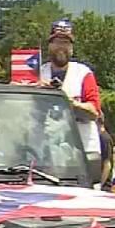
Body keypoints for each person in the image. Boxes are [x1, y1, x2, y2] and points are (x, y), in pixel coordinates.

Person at [38, 19, 102, 158]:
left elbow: (94, 112)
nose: (61, 47)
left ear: (72, 47)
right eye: (57, 42)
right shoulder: (39, 74)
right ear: (49, 45)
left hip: (82, 151)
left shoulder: (83, 73)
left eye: (65, 43)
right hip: (45, 151)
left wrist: (68, 101)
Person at [98, 118, 114, 190]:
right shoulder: (99, 138)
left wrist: (100, 185)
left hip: (104, 187)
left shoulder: (104, 139)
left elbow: (107, 165)